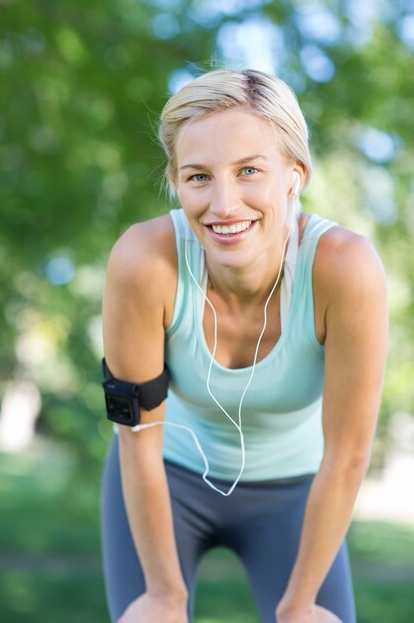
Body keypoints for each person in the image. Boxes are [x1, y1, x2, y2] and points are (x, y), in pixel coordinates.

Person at [100, 68, 388, 623]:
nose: (224, 204)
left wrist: (301, 604)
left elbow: (349, 454)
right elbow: (136, 436)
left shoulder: (344, 270)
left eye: (249, 170)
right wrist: (163, 594)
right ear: (176, 181)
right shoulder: (143, 262)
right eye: (199, 177)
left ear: (294, 174)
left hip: (298, 492)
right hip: (165, 474)